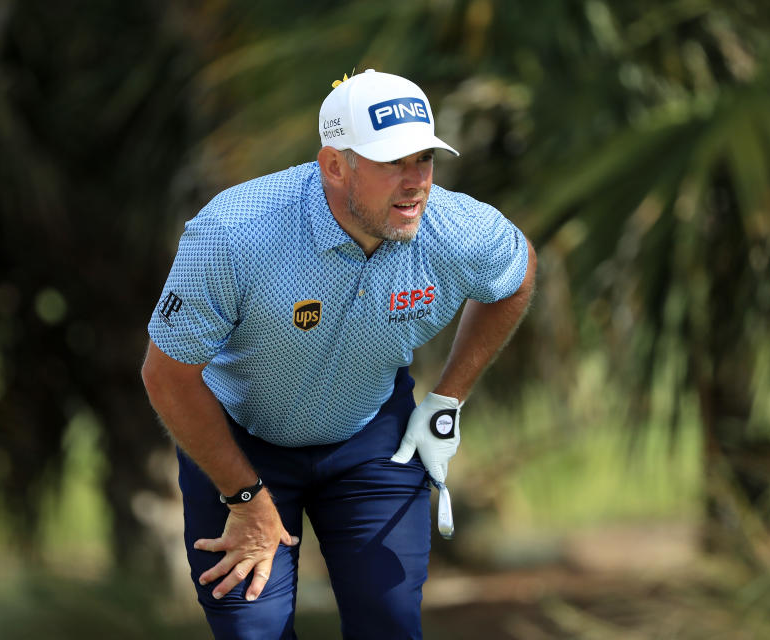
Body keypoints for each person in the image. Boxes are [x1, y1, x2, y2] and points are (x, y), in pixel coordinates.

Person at [141, 69, 536, 640]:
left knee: (390, 624)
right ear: (334, 165)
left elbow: (516, 273)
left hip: (372, 440)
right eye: (391, 163)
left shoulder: (456, 229)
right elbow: (167, 375)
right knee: (256, 632)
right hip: (239, 445)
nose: (415, 182)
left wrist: (448, 397)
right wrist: (246, 498)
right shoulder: (235, 233)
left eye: (424, 159)